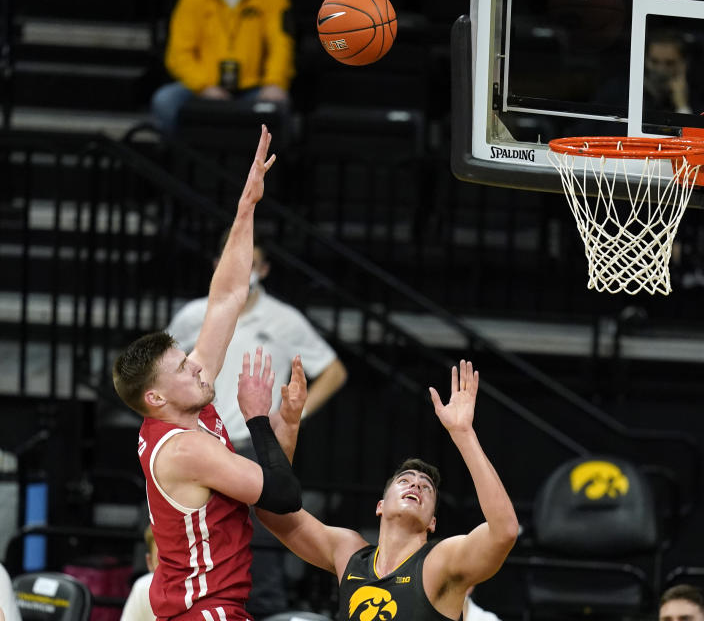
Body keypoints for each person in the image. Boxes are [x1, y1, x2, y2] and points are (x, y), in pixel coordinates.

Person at [112, 125, 306, 621]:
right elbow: (281, 496)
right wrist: (258, 419)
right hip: (204, 611)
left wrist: (246, 210)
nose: (196, 367)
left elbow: (225, 298)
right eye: (181, 367)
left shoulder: (183, 408)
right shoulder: (186, 448)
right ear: (156, 398)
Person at [166, 234, 347, 618]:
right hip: (199, 441)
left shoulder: (285, 319)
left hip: (252, 441)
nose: (242, 271)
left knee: (260, 547)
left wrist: (291, 416)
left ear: (263, 271)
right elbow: (164, 369)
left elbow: (333, 371)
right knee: (190, 541)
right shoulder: (193, 316)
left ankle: (267, 613)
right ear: (217, 264)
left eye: (252, 264)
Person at [257, 360, 519, 621]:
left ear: (432, 523)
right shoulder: (349, 553)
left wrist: (464, 435)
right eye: (404, 480)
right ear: (380, 505)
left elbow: (504, 531)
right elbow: (274, 513)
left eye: (426, 487)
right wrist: (289, 429)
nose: (416, 484)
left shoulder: (439, 563)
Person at [151, 0, 295, 134]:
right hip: (202, 87)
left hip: (254, 88)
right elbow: (178, 54)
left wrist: (274, 82)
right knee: (165, 100)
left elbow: (281, 45)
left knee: (279, 103)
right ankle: (183, 155)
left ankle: (263, 157)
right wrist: (204, 86)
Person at [120, 527, 160, 621]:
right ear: (150, 563)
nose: (171, 570)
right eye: (162, 562)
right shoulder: (142, 589)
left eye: (176, 562)